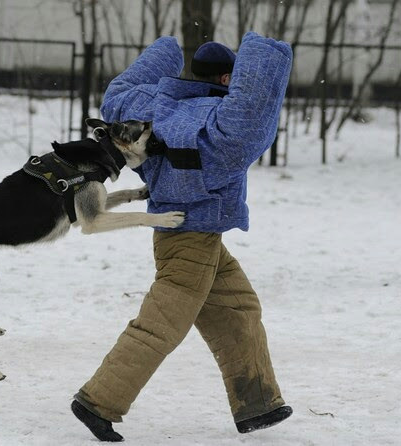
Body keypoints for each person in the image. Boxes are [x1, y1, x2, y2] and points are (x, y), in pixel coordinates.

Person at [71, 32, 293, 442]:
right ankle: (98, 400)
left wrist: (165, 52)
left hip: (192, 233)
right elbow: (253, 115)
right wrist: (267, 51)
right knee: (160, 326)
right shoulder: (217, 124)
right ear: (228, 80)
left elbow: (117, 91)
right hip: (186, 237)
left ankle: (258, 403)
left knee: (238, 309)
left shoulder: (151, 105)